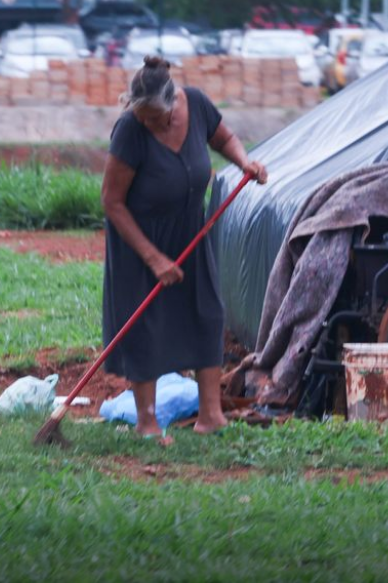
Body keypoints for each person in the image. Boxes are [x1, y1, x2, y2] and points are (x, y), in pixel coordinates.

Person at [101, 56, 268, 437]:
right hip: (141, 239)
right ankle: (147, 422)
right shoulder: (130, 130)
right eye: (141, 117)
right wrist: (153, 257)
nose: (148, 124)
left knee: (206, 313)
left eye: (155, 118)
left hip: (190, 230)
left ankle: (211, 416)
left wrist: (244, 162)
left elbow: (223, 138)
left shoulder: (196, 103)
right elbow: (112, 201)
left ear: (173, 103)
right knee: (145, 324)